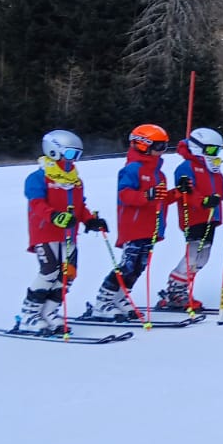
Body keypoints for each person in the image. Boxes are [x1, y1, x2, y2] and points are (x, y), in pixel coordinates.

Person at [16, 130, 109, 334]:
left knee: (69, 274)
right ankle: (28, 315)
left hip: (69, 234)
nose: (73, 160)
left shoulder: (75, 180)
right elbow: (36, 204)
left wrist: (90, 220)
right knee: (49, 271)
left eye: (77, 156)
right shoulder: (39, 177)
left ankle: (49, 312)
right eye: (69, 155)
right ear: (54, 150)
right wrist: (54, 216)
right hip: (46, 233)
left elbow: (79, 206)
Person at [156, 127, 223, 312]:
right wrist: (203, 202)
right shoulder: (186, 167)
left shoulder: (215, 170)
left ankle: (180, 289)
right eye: (211, 150)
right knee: (194, 254)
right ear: (197, 147)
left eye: (217, 150)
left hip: (212, 218)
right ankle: (174, 291)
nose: (214, 154)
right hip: (194, 217)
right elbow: (187, 192)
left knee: (204, 257)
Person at [90, 124, 176, 320]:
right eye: (159, 146)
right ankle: (103, 302)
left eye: (164, 147)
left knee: (139, 266)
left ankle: (120, 298)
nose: (161, 151)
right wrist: (147, 195)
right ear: (143, 145)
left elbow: (160, 199)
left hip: (151, 227)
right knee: (128, 264)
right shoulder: (132, 169)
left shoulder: (158, 173)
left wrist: (178, 193)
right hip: (134, 226)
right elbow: (125, 195)